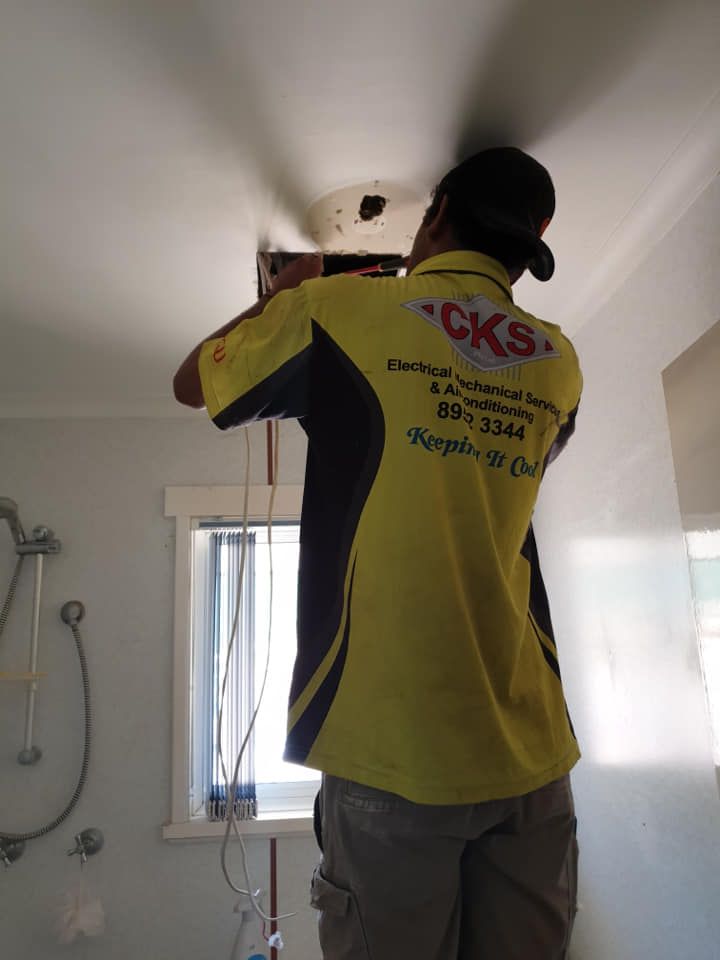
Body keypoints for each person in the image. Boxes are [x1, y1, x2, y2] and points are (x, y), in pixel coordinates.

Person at [174, 146, 582, 960]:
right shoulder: (558, 361)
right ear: (524, 256)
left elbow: (195, 385)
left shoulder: (338, 311)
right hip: (532, 749)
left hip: (392, 747)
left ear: (434, 219)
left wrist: (287, 296)